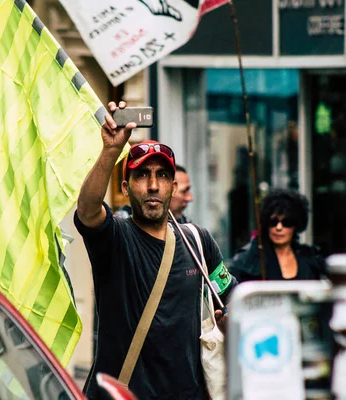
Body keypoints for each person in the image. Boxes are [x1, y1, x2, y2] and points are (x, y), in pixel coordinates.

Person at [74, 101, 236, 400]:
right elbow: (87, 209)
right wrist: (111, 150)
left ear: (173, 187)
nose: (152, 185)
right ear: (125, 187)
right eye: (141, 175)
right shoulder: (115, 238)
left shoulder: (198, 243)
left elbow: (232, 299)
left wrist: (233, 322)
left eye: (162, 176)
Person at [229, 187, 326, 282]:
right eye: (273, 222)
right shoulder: (247, 259)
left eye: (287, 222)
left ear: (296, 225)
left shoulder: (311, 259)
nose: (279, 227)